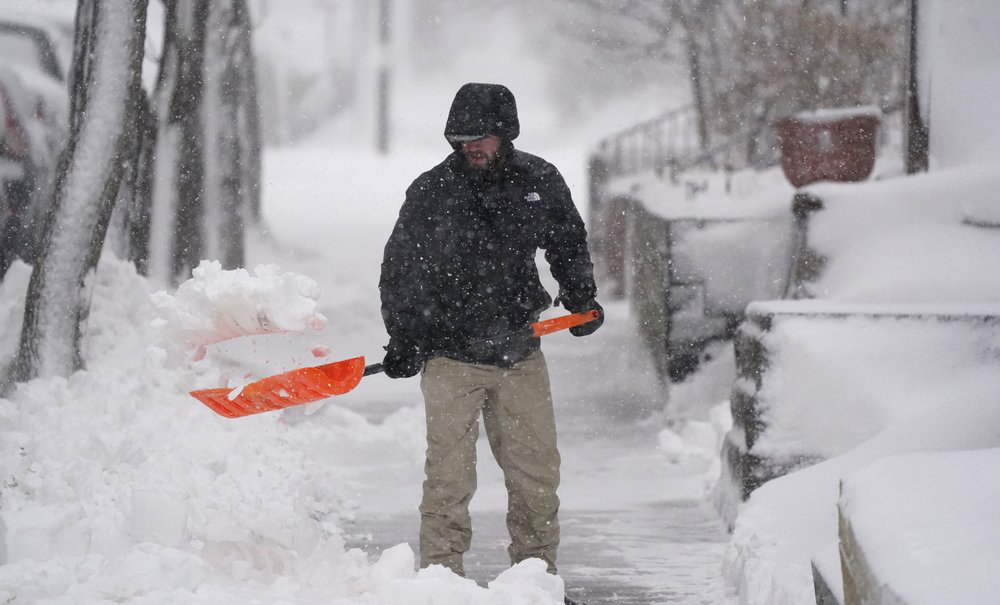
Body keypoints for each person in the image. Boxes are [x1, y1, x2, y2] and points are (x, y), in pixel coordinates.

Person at [378, 82, 602, 603]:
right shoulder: (432, 190)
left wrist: (580, 297)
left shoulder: (538, 180)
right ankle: (441, 583)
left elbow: (568, 241)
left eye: (479, 137)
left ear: (506, 133)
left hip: (520, 353)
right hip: (450, 355)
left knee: (536, 475)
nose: (469, 147)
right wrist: (405, 337)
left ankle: (536, 582)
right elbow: (401, 268)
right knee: (448, 480)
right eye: (460, 139)